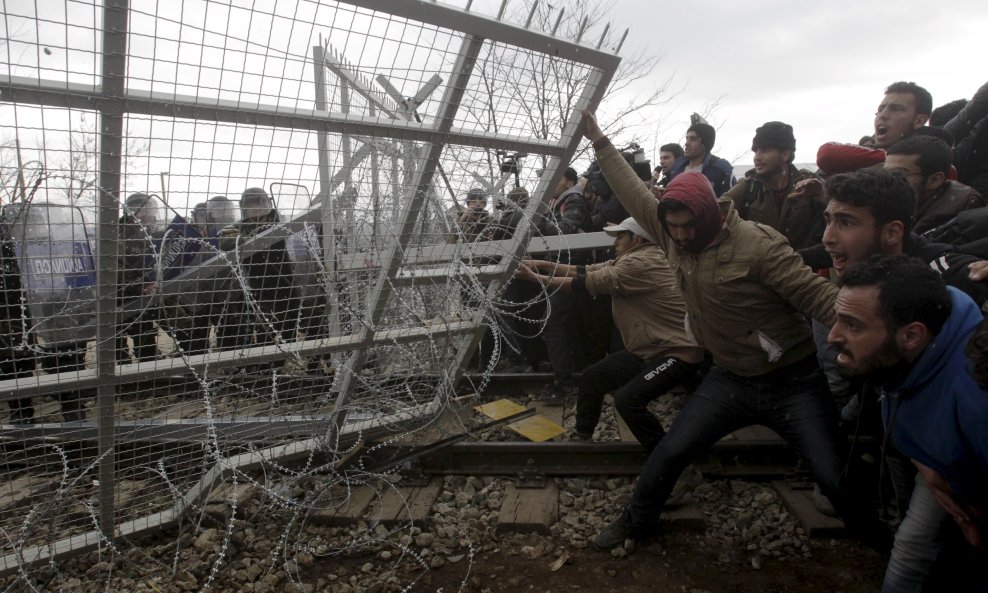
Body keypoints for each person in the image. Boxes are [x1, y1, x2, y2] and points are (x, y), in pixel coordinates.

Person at [579, 111, 887, 553]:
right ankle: (634, 523)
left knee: (835, 476)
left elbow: (813, 295)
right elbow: (631, 192)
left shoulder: (757, 244)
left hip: (792, 381)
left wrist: (864, 337)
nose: (682, 236)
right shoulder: (670, 231)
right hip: (730, 378)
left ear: (708, 214)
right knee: (669, 454)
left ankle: (885, 549)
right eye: (675, 227)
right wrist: (600, 141)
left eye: (690, 226)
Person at [828, 255, 988, 593]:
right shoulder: (911, 345)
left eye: (852, 325)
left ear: (912, 335)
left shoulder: (976, 399)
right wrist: (931, 467)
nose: (832, 336)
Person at [517, 217, 704, 449]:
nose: (615, 242)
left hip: (677, 352)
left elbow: (585, 283)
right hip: (651, 348)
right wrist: (543, 265)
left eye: (620, 236)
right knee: (592, 377)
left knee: (628, 401)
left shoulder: (640, 264)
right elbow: (588, 269)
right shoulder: (635, 257)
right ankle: (582, 437)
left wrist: (534, 278)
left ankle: (667, 458)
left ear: (637, 238)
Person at [217, 187, 300, 372]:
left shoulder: (281, 220)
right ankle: (267, 370)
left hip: (287, 283)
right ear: (245, 207)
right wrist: (250, 238)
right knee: (266, 330)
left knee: (289, 326)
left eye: (262, 202)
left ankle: (280, 364)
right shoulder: (238, 227)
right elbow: (226, 242)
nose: (258, 207)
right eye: (253, 203)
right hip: (260, 286)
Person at [722, 121, 824, 249]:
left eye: (765, 150)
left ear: (785, 155)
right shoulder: (748, 186)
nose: (757, 157)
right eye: (755, 151)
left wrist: (821, 194)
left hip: (801, 265)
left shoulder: (810, 182)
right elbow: (717, 208)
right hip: (760, 265)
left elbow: (839, 206)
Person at [536, 167, 591, 399]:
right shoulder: (558, 201)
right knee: (565, 324)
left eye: (554, 178)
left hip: (569, 268)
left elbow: (566, 231)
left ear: (569, 182)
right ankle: (570, 370)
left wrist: (535, 220)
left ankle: (564, 380)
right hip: (562, 267)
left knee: (554, 324)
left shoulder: (573, 200)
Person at [816, 81, 933, 175]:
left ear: (919, 121)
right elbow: (827, 154)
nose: (883, 115)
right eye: (880, 110)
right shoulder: (851, 156)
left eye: (896, 109)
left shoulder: (932, 163)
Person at [884, 135, 985, 234]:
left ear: (934, 180)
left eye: (898, 174)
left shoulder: (959, 226)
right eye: (884, 173)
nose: (886, 181)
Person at [665, 121, 735, 196]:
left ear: (705, 144)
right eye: (687, 138)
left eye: (693, 139)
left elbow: (729, 200)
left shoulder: (720, 169)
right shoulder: (677, 167)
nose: (686, 143)